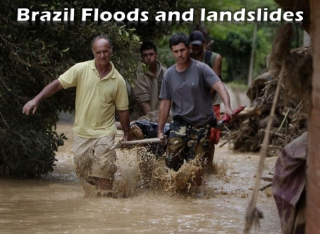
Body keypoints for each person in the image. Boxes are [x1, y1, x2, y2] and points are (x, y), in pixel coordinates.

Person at [22, 35, 131, 192]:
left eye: (105, 51)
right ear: (93, 52)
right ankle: (104, 193)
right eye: (98, 52)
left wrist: (127, 133)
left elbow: (123, 110)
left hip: (105, 133)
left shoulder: (118, 80)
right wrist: (36, 99)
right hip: (82, 132)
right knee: (84, 171)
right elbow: (58, 84)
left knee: (104, 169)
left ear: (111, 51)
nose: (102, 55)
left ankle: (106, 204)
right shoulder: (81, 69)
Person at [157, 33, 233, 172]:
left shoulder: (201, 68)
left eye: (182, 50)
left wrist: (227, 106)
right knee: (171, 162)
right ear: (172, 52)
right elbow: (165, 103)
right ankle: (174, 191)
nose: (180, 54)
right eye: (176, 51)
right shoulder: (169, 74)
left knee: (194, 166)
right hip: (179, 123)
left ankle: (195, 191)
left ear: (189, 48)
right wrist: (160, 131)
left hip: (201, 123)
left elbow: (219, 86)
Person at [189, 30, 223, 165]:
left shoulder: (215, 58)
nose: (196, 48)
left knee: (209, 137)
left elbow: (213, 85)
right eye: (193, 45)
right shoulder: (186, 58)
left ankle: (209, 165)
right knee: (190, 135)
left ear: (204, 43)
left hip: (211, 101)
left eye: (198, 44)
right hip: (191, 103)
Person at [132, 41, 167, 116]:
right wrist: (152, 121)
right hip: (143, 117)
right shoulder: (138, 73)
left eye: (151, 54)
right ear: (142, 57)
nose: (148, 58)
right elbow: (144, 102)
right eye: (145, 55)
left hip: (163, 115)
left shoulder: (165, 72)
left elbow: (167, 98)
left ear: (156, 55)